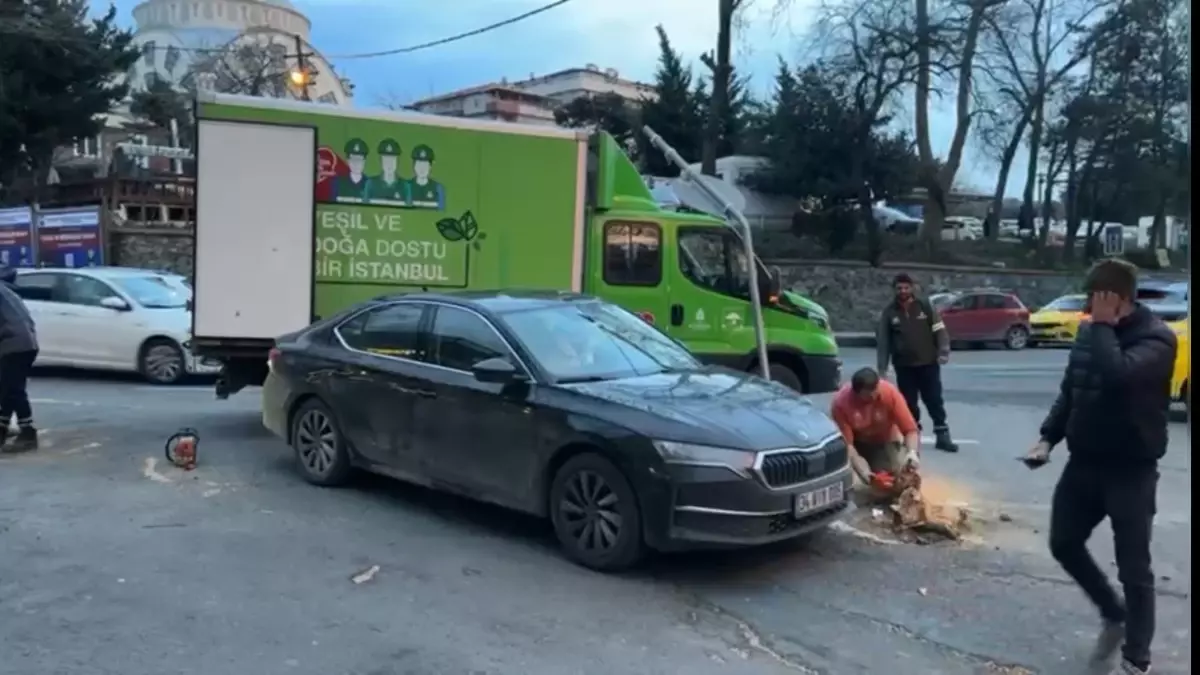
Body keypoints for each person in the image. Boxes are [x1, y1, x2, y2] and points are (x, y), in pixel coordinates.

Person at [1026, 259, 1176, 675]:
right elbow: (1073, 388)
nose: (1086, 307)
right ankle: (1113, 611)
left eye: (1094, 298)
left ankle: (1136, 656)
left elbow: (1118, 377)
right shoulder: (1091, 332)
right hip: (1085, 462)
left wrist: (1104, 327)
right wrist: (1047, 438)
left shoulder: (1158, 340)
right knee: (1063, 542)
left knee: (1134, 566)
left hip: (1131, 468)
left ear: (1115, 298)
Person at [876, 273, 958, 452]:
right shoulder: (889, 312)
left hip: (928, 364)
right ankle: (914, 439)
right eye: (899, 288)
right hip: (904, 367)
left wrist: (943, 351)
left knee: (934, 400)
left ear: (912, 288)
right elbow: (883, 342)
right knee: (908, 404)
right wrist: (882, 368)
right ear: (894, 290)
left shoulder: (925, 306)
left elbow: (939, 329)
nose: (903, 291)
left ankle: (943, 436)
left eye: (906, 287)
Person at [830, 367, 921, 487]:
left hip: (884, 439)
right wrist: (863, 472)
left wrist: (912, 452)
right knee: (854, 482)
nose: (874, 396)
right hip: (857, 442)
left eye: (875, 390)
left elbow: (910, 430)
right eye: (868, 395)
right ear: (856, 393)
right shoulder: (841, 404)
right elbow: (849, 447)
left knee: (897, 480)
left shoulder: (889, 393)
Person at [0, 265, 40, 453]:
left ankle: (28, 433)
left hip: (12, 344)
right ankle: (2, 427)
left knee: (13, 389)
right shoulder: (7, 291)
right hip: (26, 343)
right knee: (7, 387)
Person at [366, 138, 408, 204]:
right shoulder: (371, 184)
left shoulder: (404, 186)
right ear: (380, 160)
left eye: (392, 159)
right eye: (386, 159)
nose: (389, 163)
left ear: (397, 161)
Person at [333, 138, 371, 203]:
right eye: (353, 159)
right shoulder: (338, 183)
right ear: (348, 161)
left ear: (364, 161)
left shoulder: (370, 184)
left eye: (359, 160)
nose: (356, 164)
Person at [408, 144, 444, 209]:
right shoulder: (407, 187)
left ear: (430, 166)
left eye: (425, 164)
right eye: (419, 164)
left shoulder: (438, 188)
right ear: (414, 165)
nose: (422, 168)